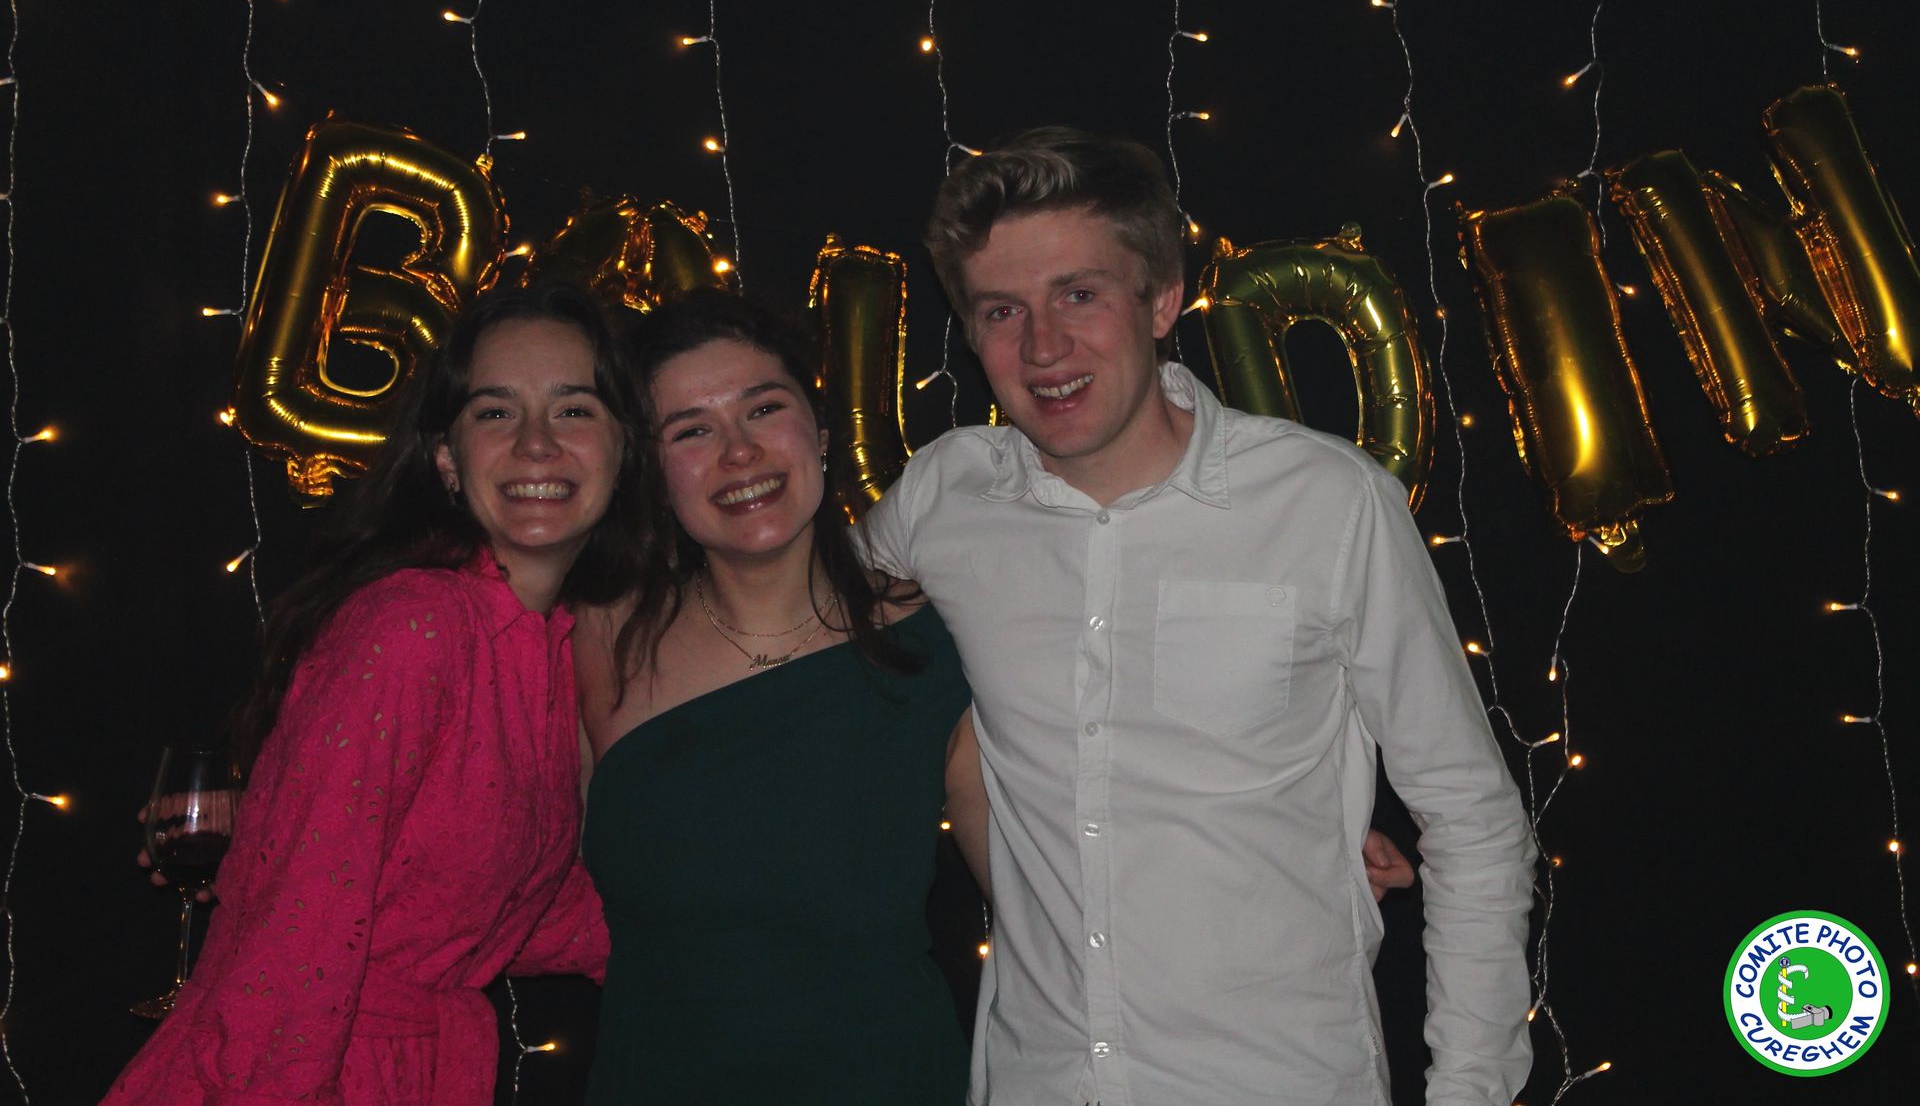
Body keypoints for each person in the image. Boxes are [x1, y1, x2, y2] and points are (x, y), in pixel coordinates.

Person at [858, 127, 1537, 1104]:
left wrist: (1469, 1090)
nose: (1043, 347)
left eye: (1079, 295)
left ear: (1163, 298)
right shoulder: (947, 495)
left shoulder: (1326, 501)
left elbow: (1472, 819)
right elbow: (804, 640)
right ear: (970, 330)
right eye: (1004, 310)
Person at [105, 281, 654, 1105]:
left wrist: (716, 936)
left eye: (573, 409)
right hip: (306, 1070)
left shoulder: (549, 645)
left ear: (622, 449)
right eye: (495, 411)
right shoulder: (413, 624)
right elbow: (296, 938)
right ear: (446, 458)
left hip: (410, 1067)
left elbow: (496, 904)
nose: (536, 443)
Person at [567, 290, 982, 1103]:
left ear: (819, 433)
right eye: (691, 430)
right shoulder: (599, 639)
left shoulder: (934, 640)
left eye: (763, 409)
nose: (739, 452)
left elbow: (1040, 900)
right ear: (653, 472)